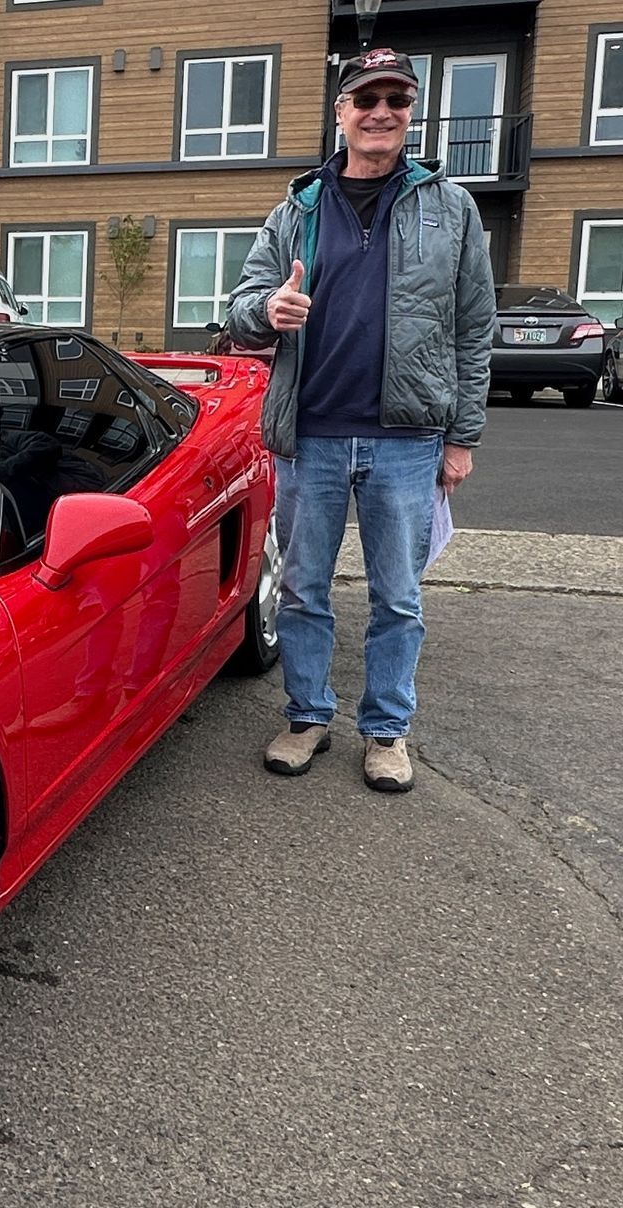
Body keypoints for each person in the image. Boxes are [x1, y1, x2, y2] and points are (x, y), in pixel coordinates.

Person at [226, 48, 493, 793]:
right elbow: (241, 302)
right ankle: (307, 715)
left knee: (398, 597)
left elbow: (474, 327)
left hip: (407, 440)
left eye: (396, 100)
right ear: (340, 112)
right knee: (304, 588)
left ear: (411, 113)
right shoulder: (299, 207)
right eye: (365, 98)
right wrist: (267, 310)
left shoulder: (452, 208)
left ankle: (386, 731)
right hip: (308, 435)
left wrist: (462, 437)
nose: (381, 112)